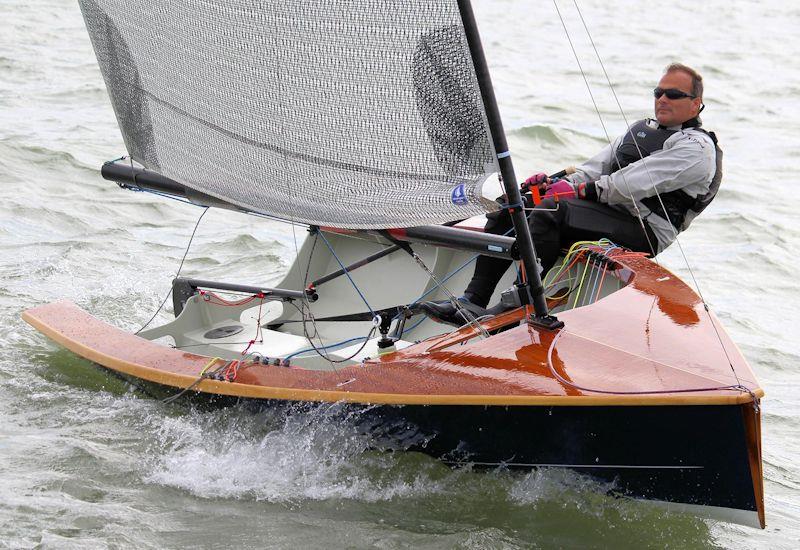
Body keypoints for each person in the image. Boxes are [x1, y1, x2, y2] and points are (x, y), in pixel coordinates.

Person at [423, 62, 722, 326]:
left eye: (673, 94)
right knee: (516, 204)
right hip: (605, 210)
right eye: (658, 92)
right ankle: (472, 300)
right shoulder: (641, 130)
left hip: (644, 229)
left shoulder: (696, 149)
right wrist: (552, 186)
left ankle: (518, 304)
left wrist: (575, 191)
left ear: (696, 104)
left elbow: (630, 184)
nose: (662, 99)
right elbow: (594, 169)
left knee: (553, 211)